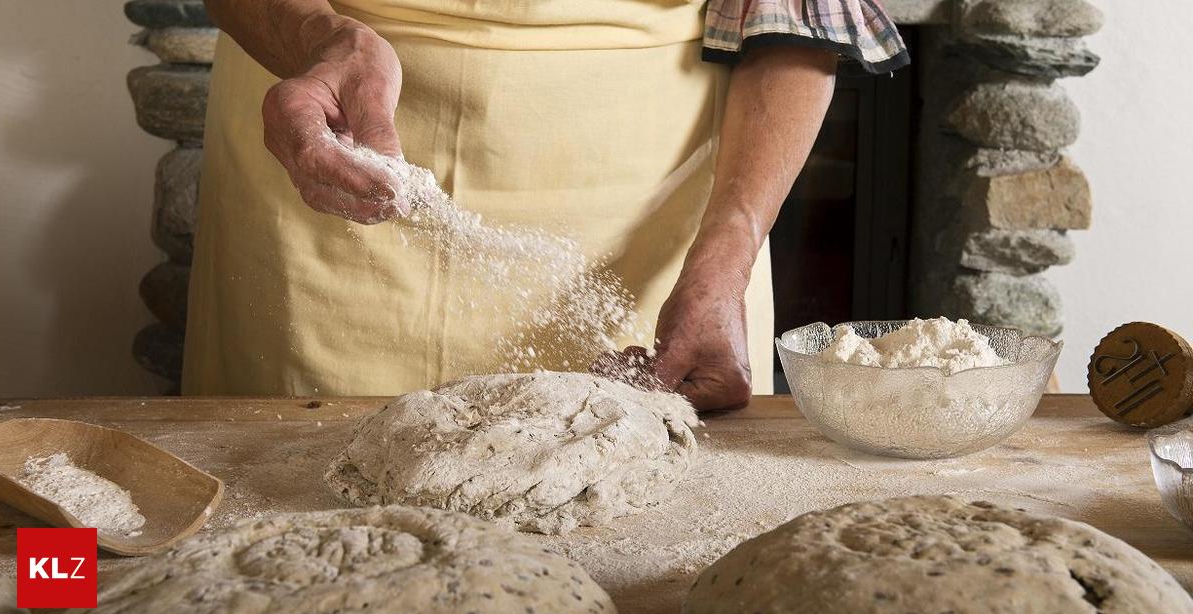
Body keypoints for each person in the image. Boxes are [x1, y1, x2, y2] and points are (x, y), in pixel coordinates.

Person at [183, 0, 908, 410]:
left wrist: (732, 243)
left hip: (644, 210)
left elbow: (800, 13)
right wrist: (321, 35)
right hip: (336, 146)